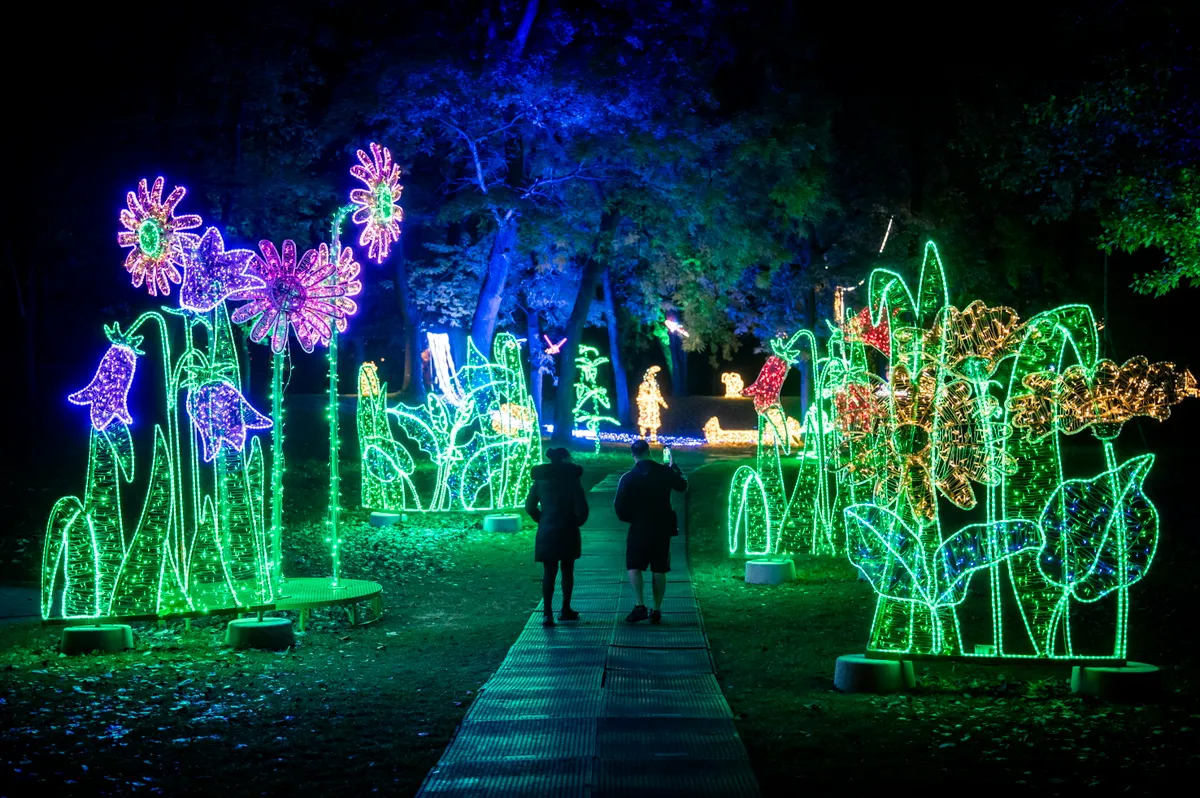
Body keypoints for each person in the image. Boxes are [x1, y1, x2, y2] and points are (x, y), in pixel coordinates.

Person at [614, 439, 688, 624]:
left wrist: (631, 518)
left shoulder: (628, 477)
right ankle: (657, 609)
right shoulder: (665, 472)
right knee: (659, 568)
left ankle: (640, 604)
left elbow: (619, 506)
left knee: (634, 565)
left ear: (633, 455)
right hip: (662, 527)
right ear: (649, 451)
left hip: (639, 526)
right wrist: (674, 466)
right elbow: (682, 486)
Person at [524, 447, 589, 626]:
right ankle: (565, 609)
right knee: (567, 571)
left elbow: (529, 506)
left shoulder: (540, 480)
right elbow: (583, 509)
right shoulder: (573, 480)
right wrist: (576, 522)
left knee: (549, 572)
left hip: (548, 529)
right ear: (565, 458)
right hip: (568, 528)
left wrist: (543, 519)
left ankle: (547, 613)